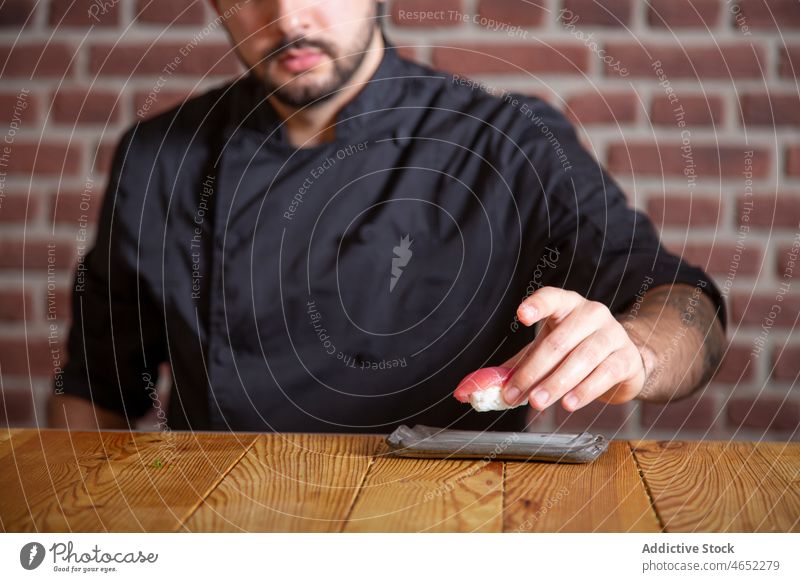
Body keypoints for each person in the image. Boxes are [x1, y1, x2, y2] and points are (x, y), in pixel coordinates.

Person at [48, 0, 726, 432]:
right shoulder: (158, 158)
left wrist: (636, 350)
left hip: (454, 526)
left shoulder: (507, 139)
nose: (288, 20)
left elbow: (685, 304)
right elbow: (97, 391)